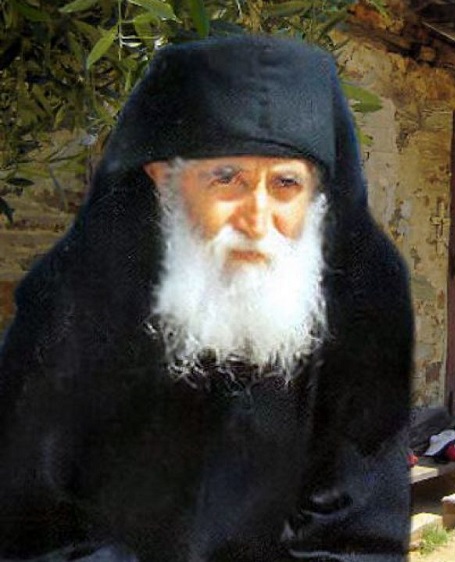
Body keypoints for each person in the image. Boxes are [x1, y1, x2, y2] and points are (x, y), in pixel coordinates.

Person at [0, 35, 413, 561]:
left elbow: (358, 535)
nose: (257, 219)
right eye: (227, 178)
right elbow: (27, 518)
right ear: (163, 179)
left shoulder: (363, 298)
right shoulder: (73, 295)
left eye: (286, 184)